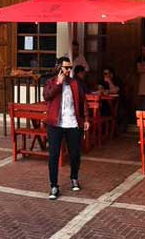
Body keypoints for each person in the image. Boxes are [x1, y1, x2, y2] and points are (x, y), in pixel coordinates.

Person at [43, 56, 89, 200]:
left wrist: (86, 119)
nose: (69, 70)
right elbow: (47, 96)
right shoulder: (51, 82)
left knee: (75, 153)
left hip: (73, 123)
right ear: (59, 68)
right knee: (54, 155)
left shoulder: (75, 83)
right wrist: (58, 83)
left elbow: (83, 102)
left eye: (70, 68)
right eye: (66, 67)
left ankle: (74, 177)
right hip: (55, 124)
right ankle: (54, 186)